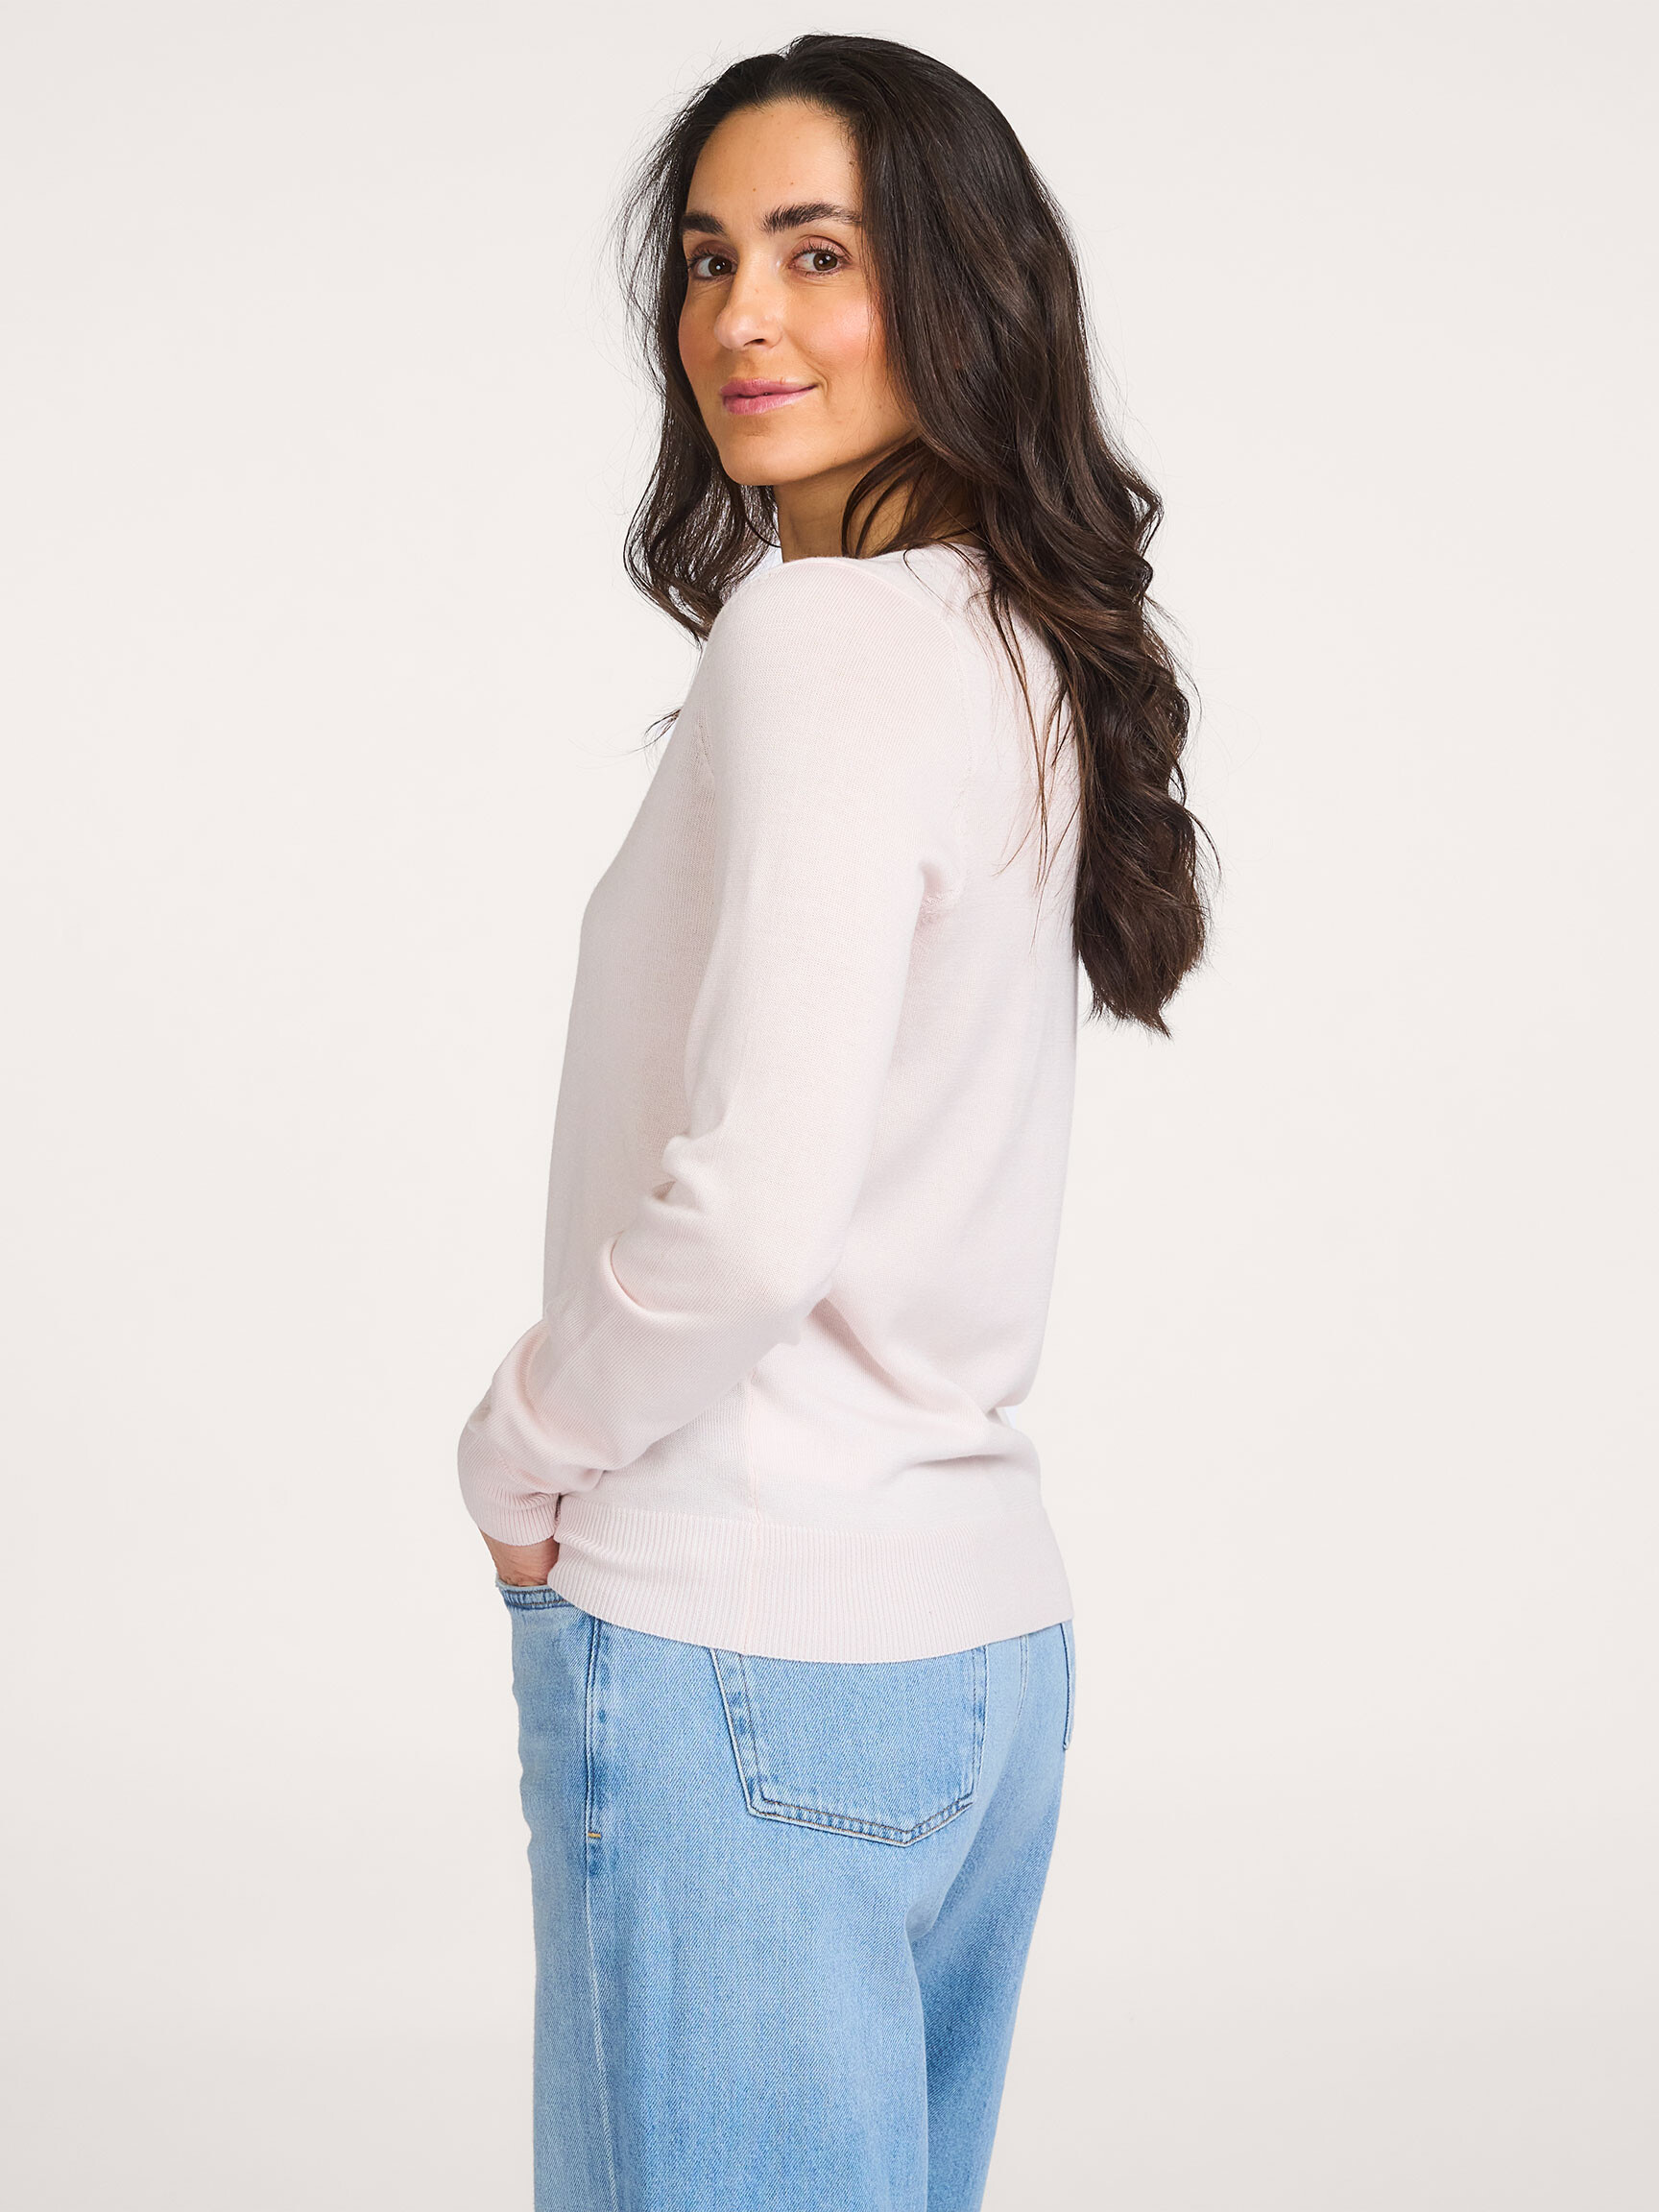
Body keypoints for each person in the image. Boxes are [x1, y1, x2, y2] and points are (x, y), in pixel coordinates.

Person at [456, 34, 1210, 2212]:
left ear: (958, 289)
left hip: (748, 1653)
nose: (741, 319)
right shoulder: (1020, 649)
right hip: (981, 1660)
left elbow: (758, 1216)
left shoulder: (817, 636)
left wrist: (518, 1444)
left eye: (819, 253)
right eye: (708, 259)